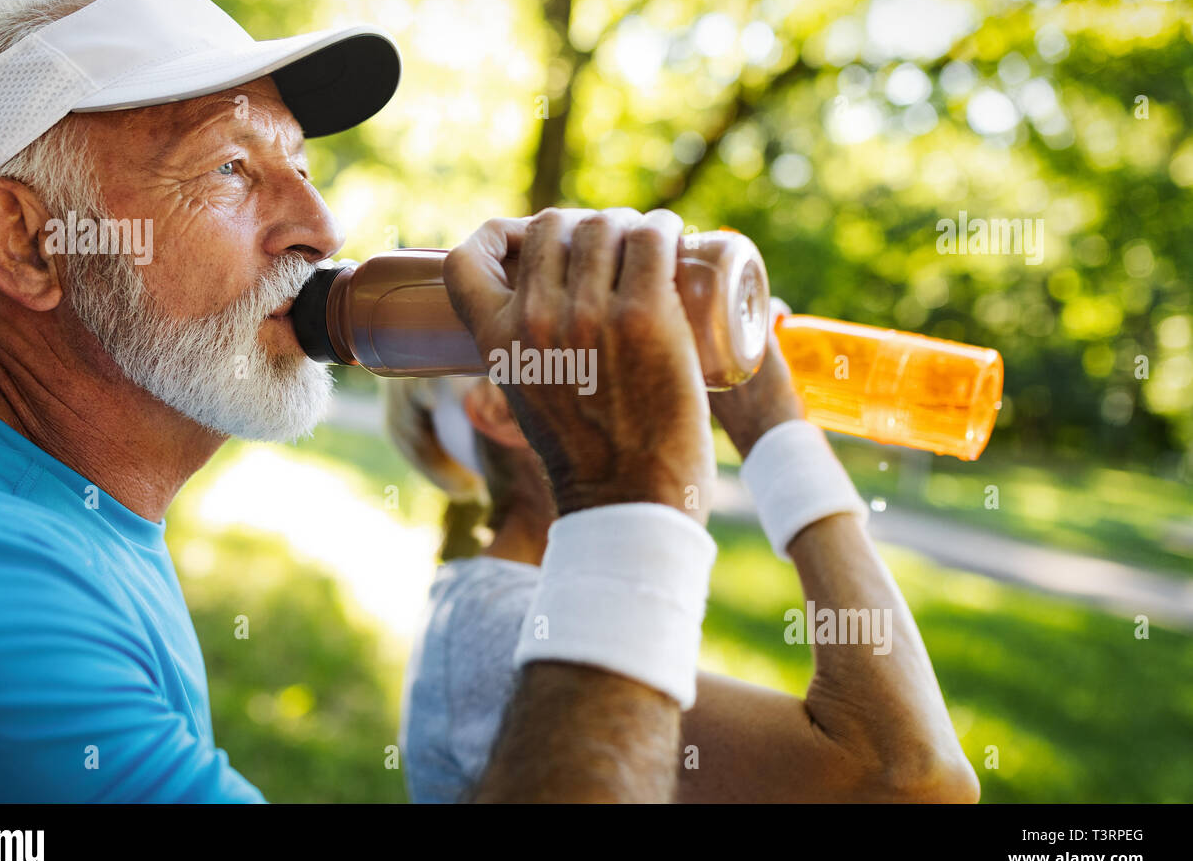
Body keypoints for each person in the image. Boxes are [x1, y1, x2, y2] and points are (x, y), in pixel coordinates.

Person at [0, 0, 771, 803]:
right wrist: (633, 504)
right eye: (229, 168)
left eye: (300, 167)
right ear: (25, 242)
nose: (322, 225)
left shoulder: (47, 510)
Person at [386, 312, 981, 803]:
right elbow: (911, 778)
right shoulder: (505, 629)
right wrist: (778, 435)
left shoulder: (532, 600)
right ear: (499, 405)